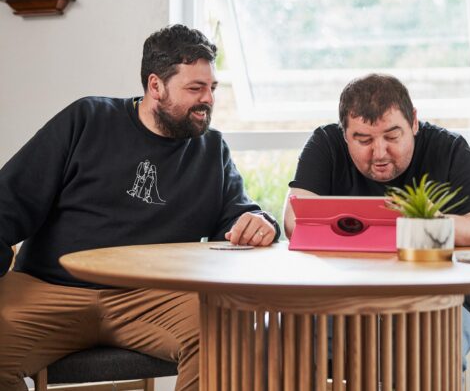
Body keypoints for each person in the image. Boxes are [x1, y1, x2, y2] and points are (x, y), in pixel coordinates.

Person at [0, 24, 280, 391]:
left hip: (152, 297)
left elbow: (239, 216)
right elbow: (9, 202)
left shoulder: (212, 151)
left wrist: (260, 222)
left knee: (229, 336)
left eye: (212, 88)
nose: (208, 99)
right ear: (155, 86)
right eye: (195, 88)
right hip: (50, 287)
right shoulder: (87, 119)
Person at [283, 73, 470, 370]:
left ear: (413, 122)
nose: (380, 152)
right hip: (338, 303)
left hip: (433, 304)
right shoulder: (325, 143)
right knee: (286, 343)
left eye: (392, 136)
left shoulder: (447, 148)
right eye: (363, 140)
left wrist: (430, 225)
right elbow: (295, 220)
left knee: (434, 357)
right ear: (344, 133)